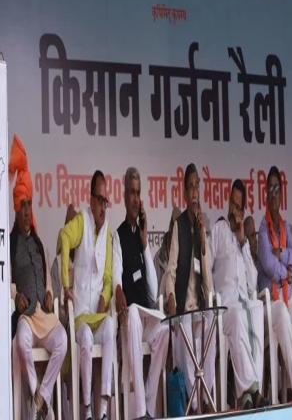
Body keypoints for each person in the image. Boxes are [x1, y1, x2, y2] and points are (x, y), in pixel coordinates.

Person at [10, 135, 66, 420]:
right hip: (26, 318)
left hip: (43, 315)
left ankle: (42, 397)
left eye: (28, 205)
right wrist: (14, 295)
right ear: (15, 209)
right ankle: (36, 396)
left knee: (63, 341)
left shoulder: (39, 243)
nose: (25, 211)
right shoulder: (10, 243)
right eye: (21, 206)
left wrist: (48, 293)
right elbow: (5, 281)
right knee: (20, 343)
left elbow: (46, 279)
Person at [111, 167, 170, 419]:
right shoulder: (118, 235)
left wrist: (145, 244)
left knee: (165, 327)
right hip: (128, 318)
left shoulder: (142, 236)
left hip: (144, 316)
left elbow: (154, 290)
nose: (135, 199)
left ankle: (147, 399)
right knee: (134, 312)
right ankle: (140, 413)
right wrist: (118, 289)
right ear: (125, 196)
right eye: (131, 193)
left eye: (138, 193)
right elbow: (116, 275)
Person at [59, 170, 116, 420]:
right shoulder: (82, 220)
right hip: (81, 317)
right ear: (91, 200)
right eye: (99, 200)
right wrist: (65, 284)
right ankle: (87, 410)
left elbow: (108, 278)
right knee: (83, 336)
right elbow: (63, 237)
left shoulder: (108, 233)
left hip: (98, 315)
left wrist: (105, 296)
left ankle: (103, 408)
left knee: (111, 326)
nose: (103, 206)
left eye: (106, 201)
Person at [256, 166, 292, 399]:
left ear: (280, 194)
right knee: (280, 312)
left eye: (276, 189)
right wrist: (285, 270)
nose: (273, 194)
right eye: (269, 189)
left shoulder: (284, 225)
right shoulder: (263, 228)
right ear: (265, 194)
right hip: (270, 302)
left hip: (288, 294)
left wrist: (282, 256)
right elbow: (269, 266)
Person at [163, 163, 215, 414]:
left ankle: (207, 397)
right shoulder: (180, 225)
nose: (194, 192)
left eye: (197, 187)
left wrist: (203, 238)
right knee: (183, 328)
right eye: (190, 187)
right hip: (184, 306)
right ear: (184, 193)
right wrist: (171, 296)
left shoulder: (201, 226)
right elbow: (170, 269)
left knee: (211, 330)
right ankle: (193, 405)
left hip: (201, 306)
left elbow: (207, 279)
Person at [209, 179, 266, 409]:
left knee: (257, 308)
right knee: (236, 314)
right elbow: (206, 269)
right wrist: (213, 301)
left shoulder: (242, 241)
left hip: (243, 303)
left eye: (239, 207)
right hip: (225, 305)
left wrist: (243, 242)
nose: (235, 211)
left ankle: (251, 393)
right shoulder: (219, 230)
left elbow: (253, 283)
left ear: (243, 211)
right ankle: (252, 389)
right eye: (232, 204)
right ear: (228, 204)